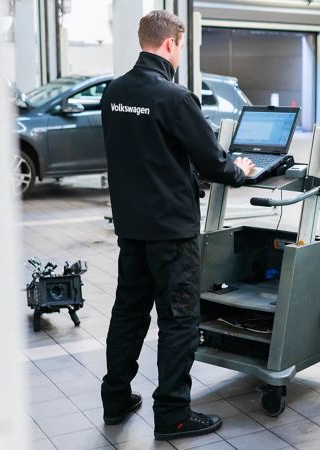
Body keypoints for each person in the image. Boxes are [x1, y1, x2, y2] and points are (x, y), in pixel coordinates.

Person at [98, 10, 254, 441]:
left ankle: (115, 399)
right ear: (171, 44)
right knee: (180, 319)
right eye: (181, 46)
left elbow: (143, 154)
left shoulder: (114, 92)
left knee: (128, 313)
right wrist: (238, 170)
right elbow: (212, 160)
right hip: (171, 232)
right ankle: (173, 415)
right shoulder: (173, 96)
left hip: (132, 227)